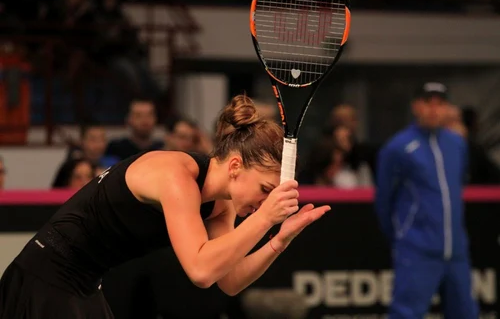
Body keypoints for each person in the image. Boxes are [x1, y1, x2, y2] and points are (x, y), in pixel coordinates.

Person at [0, 95, 330, 318]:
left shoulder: (220, 203)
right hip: (45, 277)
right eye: (264, 190)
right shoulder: (175, 175)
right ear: (234, 167)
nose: (264, 202)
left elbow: (227, 280)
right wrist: (266, 218)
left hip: (84, 283)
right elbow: (200, 270)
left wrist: (278, 239)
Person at [375, 82, 478, 318]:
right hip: (416, 248)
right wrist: (403, 236)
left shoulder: (457, 144)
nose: (434, 110)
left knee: (465, 312)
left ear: (447, 108)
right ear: (415, 106)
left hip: (456, 250)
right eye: (427, 103)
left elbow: (457, 186)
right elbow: (384, 199)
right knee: (407, 313)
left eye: (440, 104)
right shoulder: (397, 147)